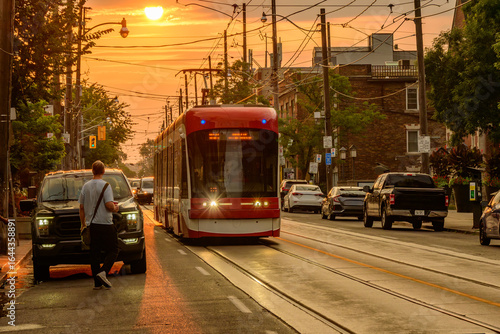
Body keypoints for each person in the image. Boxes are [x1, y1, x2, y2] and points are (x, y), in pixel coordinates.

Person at [79, 160, 119, 289]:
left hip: (92, 225)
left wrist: (82, 223)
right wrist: (115, 208)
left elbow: (81, 207)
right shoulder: (106, 186)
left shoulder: (86, 186)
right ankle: (104, 271)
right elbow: (108, 205)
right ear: (103, 171)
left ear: (92, 171)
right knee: (113, 249)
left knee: (94, 253)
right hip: (106, 223)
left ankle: (97, 283)